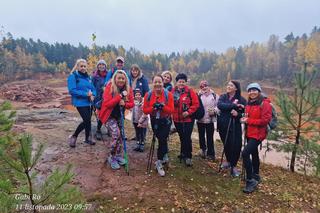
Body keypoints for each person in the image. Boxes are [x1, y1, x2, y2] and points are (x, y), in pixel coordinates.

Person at [99, 70, 134, 170]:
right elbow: (107, 104)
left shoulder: (128, 89)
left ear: (125, 79)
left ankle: (118, 155)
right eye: (119, 78)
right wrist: (119, 97)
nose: (121, 80)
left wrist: (125, 104)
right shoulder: (109, 87)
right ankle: (111, 156)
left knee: (121, 136)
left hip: (119, 116)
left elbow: (132, 103)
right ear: (115, 78)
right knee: (115, 134)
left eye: (123, 78)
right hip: (109, 116)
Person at [241, 83, 272, 193]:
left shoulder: (265, 104)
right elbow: (248, 117)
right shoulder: (249, 103)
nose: (251, 92)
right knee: (253, 153)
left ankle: (250, 181)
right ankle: (256, 175)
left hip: (258, 134)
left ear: (258, 91)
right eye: (249, 90)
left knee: (244, 153)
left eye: (254, 90)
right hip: (249, 133)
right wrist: (245, 119)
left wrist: (248, 121)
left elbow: (265, 121)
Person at [143, 74, 174, 176]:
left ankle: (159, 161)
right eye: (155, 82)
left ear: (162, 83)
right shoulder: (148, 95)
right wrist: (153, 107)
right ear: (152, 83)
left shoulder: (168, 94)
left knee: (162, 139)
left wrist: (163, 106)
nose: (157, 84)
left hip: (165, 120)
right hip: (154, 120)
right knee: (160, 139)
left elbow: (171, 110)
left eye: (159, 82)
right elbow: (145, 110)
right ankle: (164, 155)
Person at [217, 80, 246, 177]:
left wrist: (238, 114)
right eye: (228, 85)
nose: (228, 86)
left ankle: (234, 165)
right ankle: (228, 161)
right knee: (226, 144)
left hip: (235, 126)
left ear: (236, 88)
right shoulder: (223, 97)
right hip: (223, 124)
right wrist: (233, 105)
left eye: (231, 85)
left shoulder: (242, 99)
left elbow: (246, 113)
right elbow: (220, 105)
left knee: (236, 145)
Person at [67, 59, 97, 147]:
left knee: (88, 121)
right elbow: (72, 90)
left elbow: (93, 89)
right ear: (77, 67)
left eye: (84, 66)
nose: (83, 68)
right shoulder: (73, 76)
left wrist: (93, 95)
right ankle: (74, 136)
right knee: (87, 120)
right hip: (80, 102)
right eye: (81, 66)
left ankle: (87, 138)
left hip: (89, 102)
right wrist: (86, 94)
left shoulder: (88, 77)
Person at [172, 73, 199, 166]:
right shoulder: (172, 91)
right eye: (180, 82)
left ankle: (188, 156)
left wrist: (188, 112)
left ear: (185, 82)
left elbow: (196, 104)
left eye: (183, 82)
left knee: (187, 137)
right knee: (181, 136)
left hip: (188, 120)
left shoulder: (190, 91)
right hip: (177, 119)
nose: (181, 83)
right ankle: (183, 153)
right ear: (177, 82)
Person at [196, 80, 219, 161]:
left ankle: (211, 154)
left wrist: (214, 110)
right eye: (202, 86)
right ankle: (202, 151)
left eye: (205, 86)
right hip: (200, 120)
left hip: (210, 120)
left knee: (210, 137)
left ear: (209, 86)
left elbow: (218, 106)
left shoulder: (215, 95)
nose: (204, 88)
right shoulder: (198, 95)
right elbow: (195, 106)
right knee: (201, 136)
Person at [92, 59, 109, 140]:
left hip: (107, 98)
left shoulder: (108, 75)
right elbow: (92, 88)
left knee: (108, 114)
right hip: (98, 98)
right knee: (101, 115)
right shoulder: (94, 76)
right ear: (97, 66)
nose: (101, 66)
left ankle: (109, 129)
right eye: (100, 64)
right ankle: (98, 130)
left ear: (105, 66)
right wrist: (93, 100)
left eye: (103, 64)